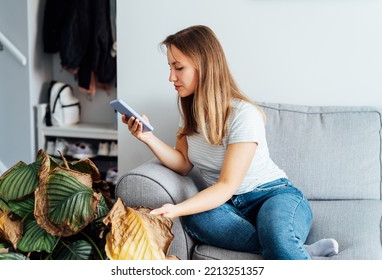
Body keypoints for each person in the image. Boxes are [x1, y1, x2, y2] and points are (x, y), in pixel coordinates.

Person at [121, 25, 339, 260]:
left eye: (179, 67)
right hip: (230, 207)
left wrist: (175, 209)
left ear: (204, 67)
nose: (171, 77)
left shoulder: (243, 114)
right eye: (170, 67)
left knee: (274, 232)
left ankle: (283, 243)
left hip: (273, 195)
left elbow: (226, 185)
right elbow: (183, 163)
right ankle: (297, 250)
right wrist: (147, 137)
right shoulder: (190, 112)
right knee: (196, 216)